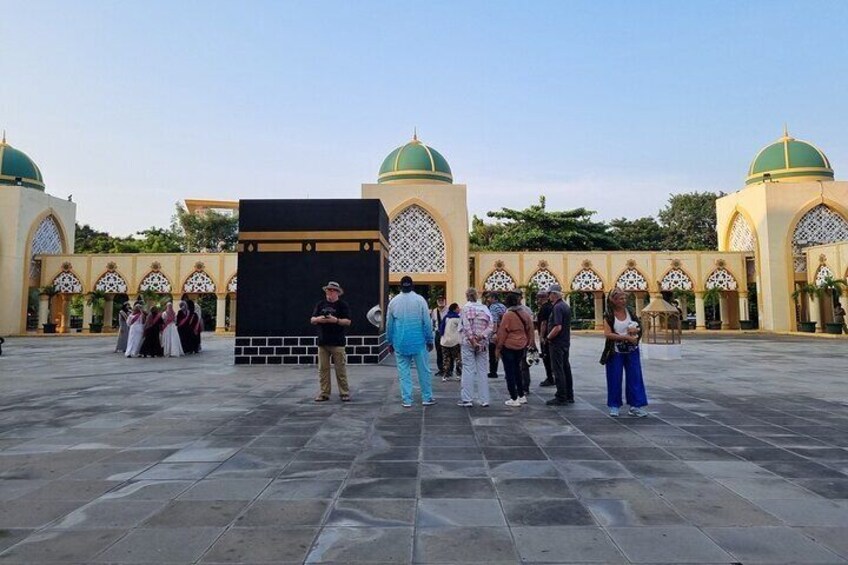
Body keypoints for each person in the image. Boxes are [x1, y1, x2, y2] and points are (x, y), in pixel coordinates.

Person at [386, 275, 436, 408]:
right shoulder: (420, 300)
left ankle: (407, 399)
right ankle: (426, 397)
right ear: (413, 286)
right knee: (424, 371)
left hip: (400, 343)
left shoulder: (393, 302)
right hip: (419, 342)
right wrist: (429, 340)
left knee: (404, 373)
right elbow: (426, 322)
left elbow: (389, 325)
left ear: (400, 286)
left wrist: (389, 342)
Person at [601, 288, 648, 417]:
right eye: (621, 299)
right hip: (615, 351)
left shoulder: (630, 312)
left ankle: (636, 405)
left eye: (624, 298)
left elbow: (639, 327)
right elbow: (607, 334)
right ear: (613, 300)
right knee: (614, 377)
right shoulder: (609, 315)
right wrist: (625, 337)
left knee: (635, 376)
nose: (623, 301)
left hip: (631, 350)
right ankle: (614, 405)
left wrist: (635, 332)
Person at [310, 281, 352, 402]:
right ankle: (324, 393)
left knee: (340, 369)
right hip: (323, 342)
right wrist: (319, 319)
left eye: (332, 290)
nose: (330, 292)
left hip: (338, 342)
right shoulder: (320, 304)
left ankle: (344, 393)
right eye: (328, 290)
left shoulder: (343, 305)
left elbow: (348, 321)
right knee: (323, 369)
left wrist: (336, 320)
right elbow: (312, 319)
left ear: (337, 292)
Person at [496, 292, 534, 406]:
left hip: (509, 345)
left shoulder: (508, 315)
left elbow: (502, 333)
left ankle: (513, 397)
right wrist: (529, 342)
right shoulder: (525, 313)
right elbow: (530, 329)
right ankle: (521, 395)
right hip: (521, 345)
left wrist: (498, 348)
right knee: (518, 370)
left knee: (509, 372)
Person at [457, 288, 493, 407]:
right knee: (482, 371)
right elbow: (491, 326)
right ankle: (485, 399)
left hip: (468, 343)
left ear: (467, 296)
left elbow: (466, 326)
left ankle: (467, 399)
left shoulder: (466, 309)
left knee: (468, 369)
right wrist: (480, 337)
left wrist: (473, 339)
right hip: (482, 343)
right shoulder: (485, 309)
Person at [545, 285, 574, 406]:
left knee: (558, 369)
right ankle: (569, 395)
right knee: (566, 368)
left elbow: (557, 327)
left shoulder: (557, 307)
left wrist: (548, 337)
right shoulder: (565, 306)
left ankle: (561, 396)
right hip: (565, 342)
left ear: (554, 294)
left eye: (549, 294)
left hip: (557, 343)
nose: (548, 296)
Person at [535, 291, 555, 387]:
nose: (537, 300)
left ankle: (550, 378)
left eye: (538, 298)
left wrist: (542, 336)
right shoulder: (551, 306)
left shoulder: (544, 308)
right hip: (551, 335)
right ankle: (553, 376)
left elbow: (544, 323)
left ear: (542, 298)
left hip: (546, 336)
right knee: (550, 357)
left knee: (546, 357)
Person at [439, 303, 462, 380]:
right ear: (455, 309)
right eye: (458, 308)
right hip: (454, 341)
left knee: (446, 359)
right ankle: (459, 375)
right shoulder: (457, 319)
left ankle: (445, 375)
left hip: (444, 341)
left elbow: (441, 329)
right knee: (458, 358)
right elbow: (461, 329)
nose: (459, 309)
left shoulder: (446, 317)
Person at [486, 292, 506, 379]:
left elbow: (494, 320)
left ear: (494, 298)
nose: (488, 299)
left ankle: (493, 372)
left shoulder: (493, 307)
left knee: (493, 353)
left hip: (496, 333)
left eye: (489, 297)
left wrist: (494, 333)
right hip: (504, 332)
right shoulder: (503, 306)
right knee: (503, 353)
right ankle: (507, 371)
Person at [431, 296, 449, 377]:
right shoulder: (434, 311)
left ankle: (449, 370)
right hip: (438, 333)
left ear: (444, 301)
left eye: (442, 300)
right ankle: (441, 369)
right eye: (439, 300)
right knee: (439, 351)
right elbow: (433, 322)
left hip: (447, 333)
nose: (441, 301)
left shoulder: (448, 310)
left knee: (448, 352)